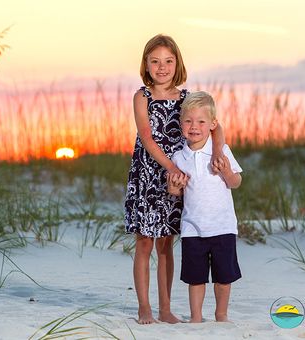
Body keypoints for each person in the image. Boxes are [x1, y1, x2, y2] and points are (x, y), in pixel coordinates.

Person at [124, 34, 225, 324]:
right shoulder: (141, 97)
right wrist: (170, 167)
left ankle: (165, 308)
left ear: (177, 63)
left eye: (168, 61)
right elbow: (146, 136)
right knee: (144, 242)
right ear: (146, 64)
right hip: (148, 174)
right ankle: (144, 307)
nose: (162, 67)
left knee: (166, 243)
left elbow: (216, 127)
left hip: (177, 176)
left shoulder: (186, 98)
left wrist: (218, 150)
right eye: (155, 61)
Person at [167, 91, 242, 323]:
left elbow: (236, 183)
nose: (194, 127)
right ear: (181, 124)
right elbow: (178, 192)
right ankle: (196, 317)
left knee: (223, 277)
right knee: (195, 278)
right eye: (188, 121)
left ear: (212, 124)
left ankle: (221, 314)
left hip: (222, 226)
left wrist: (227, 172)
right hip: (192, 228)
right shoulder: (179, 157)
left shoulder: (221, 151)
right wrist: (173, 190)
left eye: (201, 121)